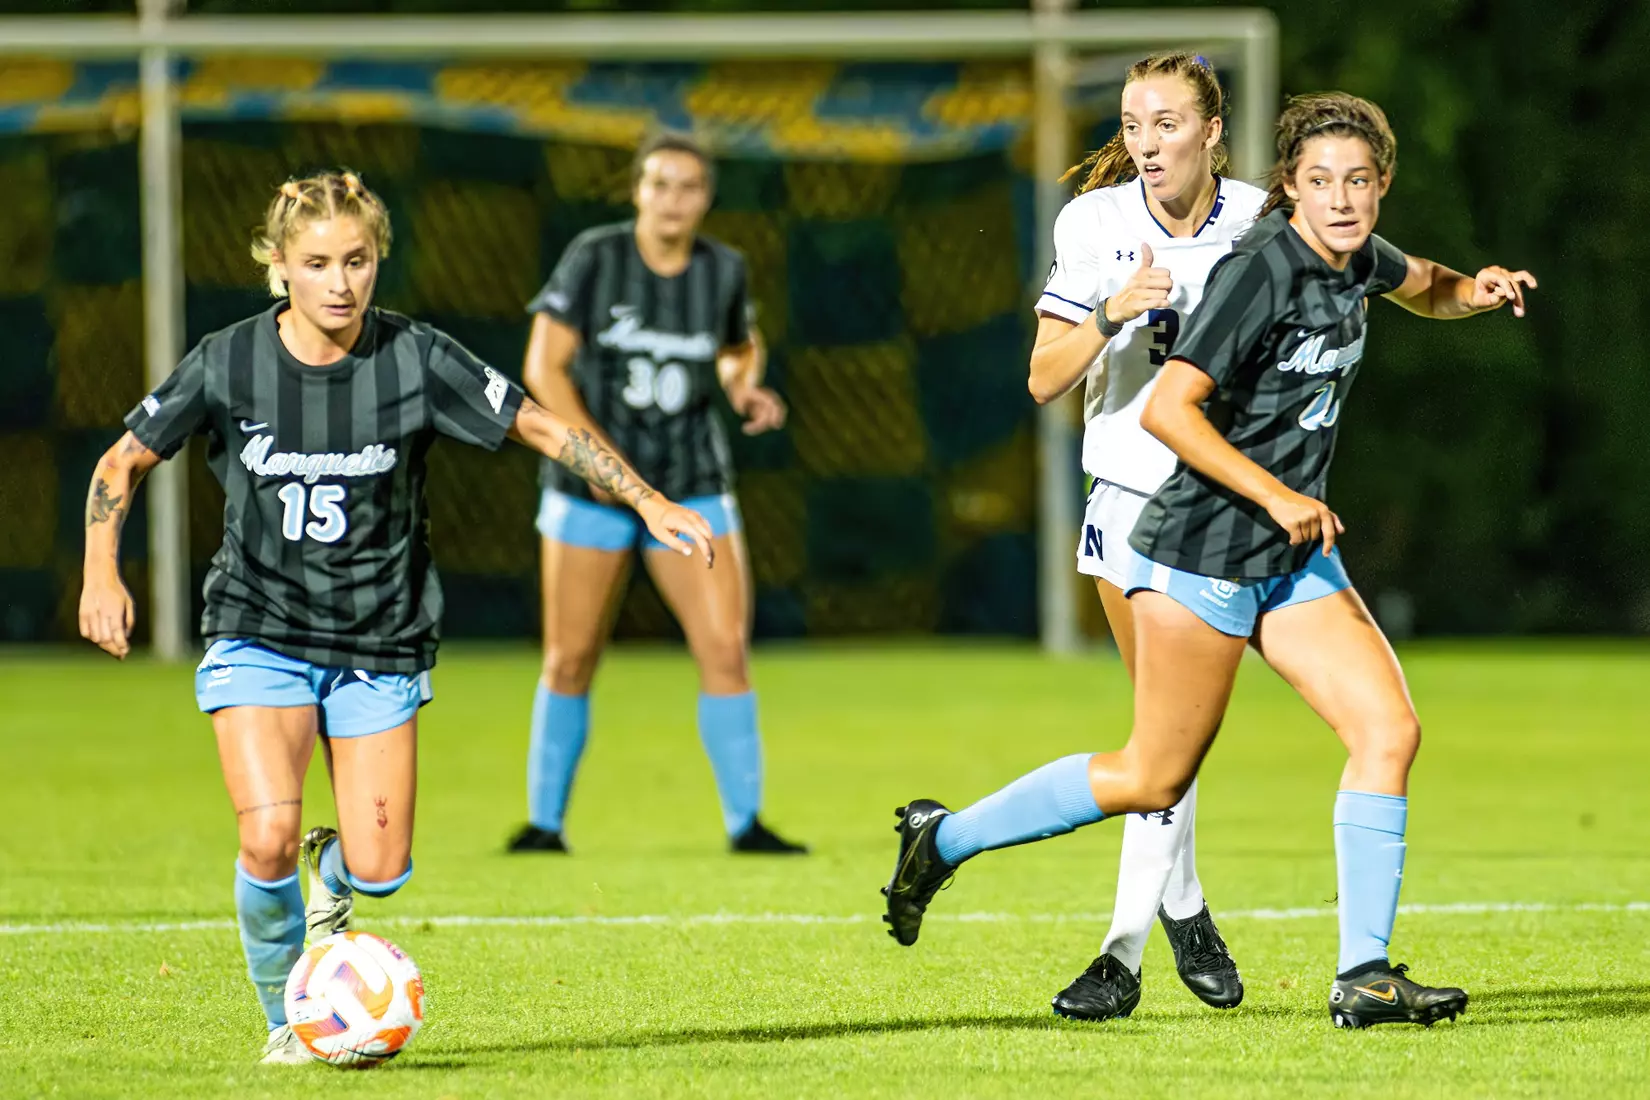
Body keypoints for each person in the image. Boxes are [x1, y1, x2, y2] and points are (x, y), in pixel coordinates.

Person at [883, 92, 1536, 1029]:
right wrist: (1277, 495)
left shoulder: (1355, 255)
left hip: (1289, 553)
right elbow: (1166, 410)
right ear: (1290, 187)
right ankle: (943, 840)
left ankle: (1364, 975)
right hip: (1204, 546)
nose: (1341, 198)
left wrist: (1474, 290)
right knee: (1153, 775)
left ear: (1383, 184)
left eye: (1358, 180)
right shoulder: (1260, 272)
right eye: (1321, 181)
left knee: (1388, 730)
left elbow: (1422, 282)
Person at [78, 169, 714, 1064]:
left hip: (380, 641)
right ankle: (287, 1019)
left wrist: (647, 500)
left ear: (378, 259)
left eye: (358, 260)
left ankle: (334, 877)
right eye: (316, 264)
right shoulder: (229, 359)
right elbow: (121, 461)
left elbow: (538, 424)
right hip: (258, 629)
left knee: (381, 871)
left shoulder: (416, 357)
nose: (340, 283)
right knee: (265, 835)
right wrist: (99, 574)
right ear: (278, 266)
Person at [1028, 51, 1261, 1022]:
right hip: (1127, 498)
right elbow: (1044, 377)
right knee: (1166, 732)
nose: (1147, 143)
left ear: (1212, 130)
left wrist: (1459, 291)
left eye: (1167, 123)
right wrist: (1112, 314)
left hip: (1222, 509)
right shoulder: (1093, 223)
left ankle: (1137, 940)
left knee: (1170, 735)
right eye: (1132, 125)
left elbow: (1372, 272)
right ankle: (1174, 914)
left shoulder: (1263, 221)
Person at [505, 131, 805, 856]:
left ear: (707, 199)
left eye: (689, 187)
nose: (673, 200)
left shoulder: (723, 269)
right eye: (660, 184)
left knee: (725, 648)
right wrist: (601, 464)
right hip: (592, 490)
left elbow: (738, 345)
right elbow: (544, 367)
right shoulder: (595, 258)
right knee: (570, 656)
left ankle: (747, 825)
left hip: (690, 483)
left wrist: (743, 387)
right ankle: (544, 826)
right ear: (637, 190)